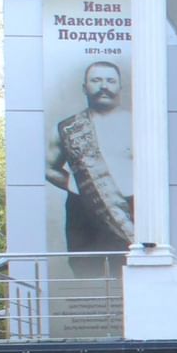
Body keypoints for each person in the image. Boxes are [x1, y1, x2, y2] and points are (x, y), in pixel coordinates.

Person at [45, 59, 136, 270]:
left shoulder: (138, 124)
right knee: (84, 267)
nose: (104, 86)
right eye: (96, 80)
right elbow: (49, 168)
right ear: (85, 87)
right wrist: (77, 186)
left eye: (110, 81)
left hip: (129, 208)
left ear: (119, 87)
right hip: (82, 209)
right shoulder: (68, 128)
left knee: (129, 268)